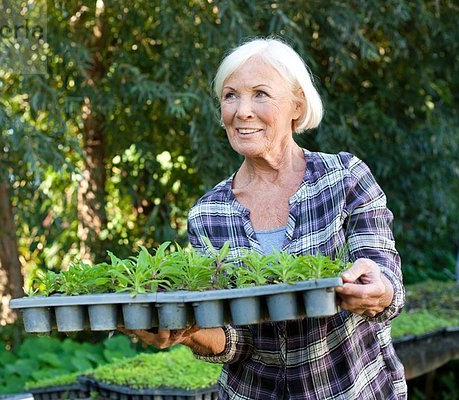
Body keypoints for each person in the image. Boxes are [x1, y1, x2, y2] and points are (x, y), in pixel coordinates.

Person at [122, 37, 406, 399]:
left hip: (349, 389)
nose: (242, 111)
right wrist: (186, 332)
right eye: (230, 96)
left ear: (296, 104)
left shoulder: (344, 178)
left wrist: (378, 291)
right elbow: (235, 341)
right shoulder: (209, 213)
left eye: (260, 94)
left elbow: (385, 275)